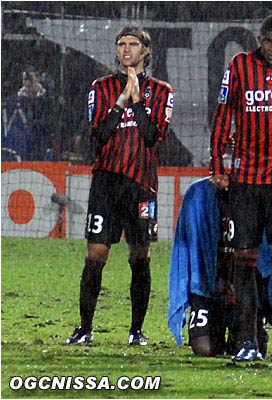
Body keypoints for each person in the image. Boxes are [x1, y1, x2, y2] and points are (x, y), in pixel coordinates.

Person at [66, 26, 173, 346]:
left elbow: (153, 136)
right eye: (121, 44)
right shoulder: (100, 88)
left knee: (140, 256)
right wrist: (122, 99)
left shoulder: (162, 91)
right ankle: (85, 328)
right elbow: (98, 135)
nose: (126, 49)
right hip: (106, 183)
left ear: (146, 51)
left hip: (141, 184)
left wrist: (138, 101)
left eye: (133, 44)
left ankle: (136, 331)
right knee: (96, 252)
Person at [210, 14, 272, 363]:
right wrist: (218, 165)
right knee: (243, 262)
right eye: (268, 41)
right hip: (246, 181)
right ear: (259, 40)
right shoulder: (239, 66)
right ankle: (247, 339)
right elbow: (223, 114)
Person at [2, 66, 55, 161]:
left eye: (30, 79)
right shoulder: (14, 101)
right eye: (25, 79)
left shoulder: (48, 99)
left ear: (38, 79)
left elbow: (50, 121)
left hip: (42, 141)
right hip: (22, 143)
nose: (27, 83)